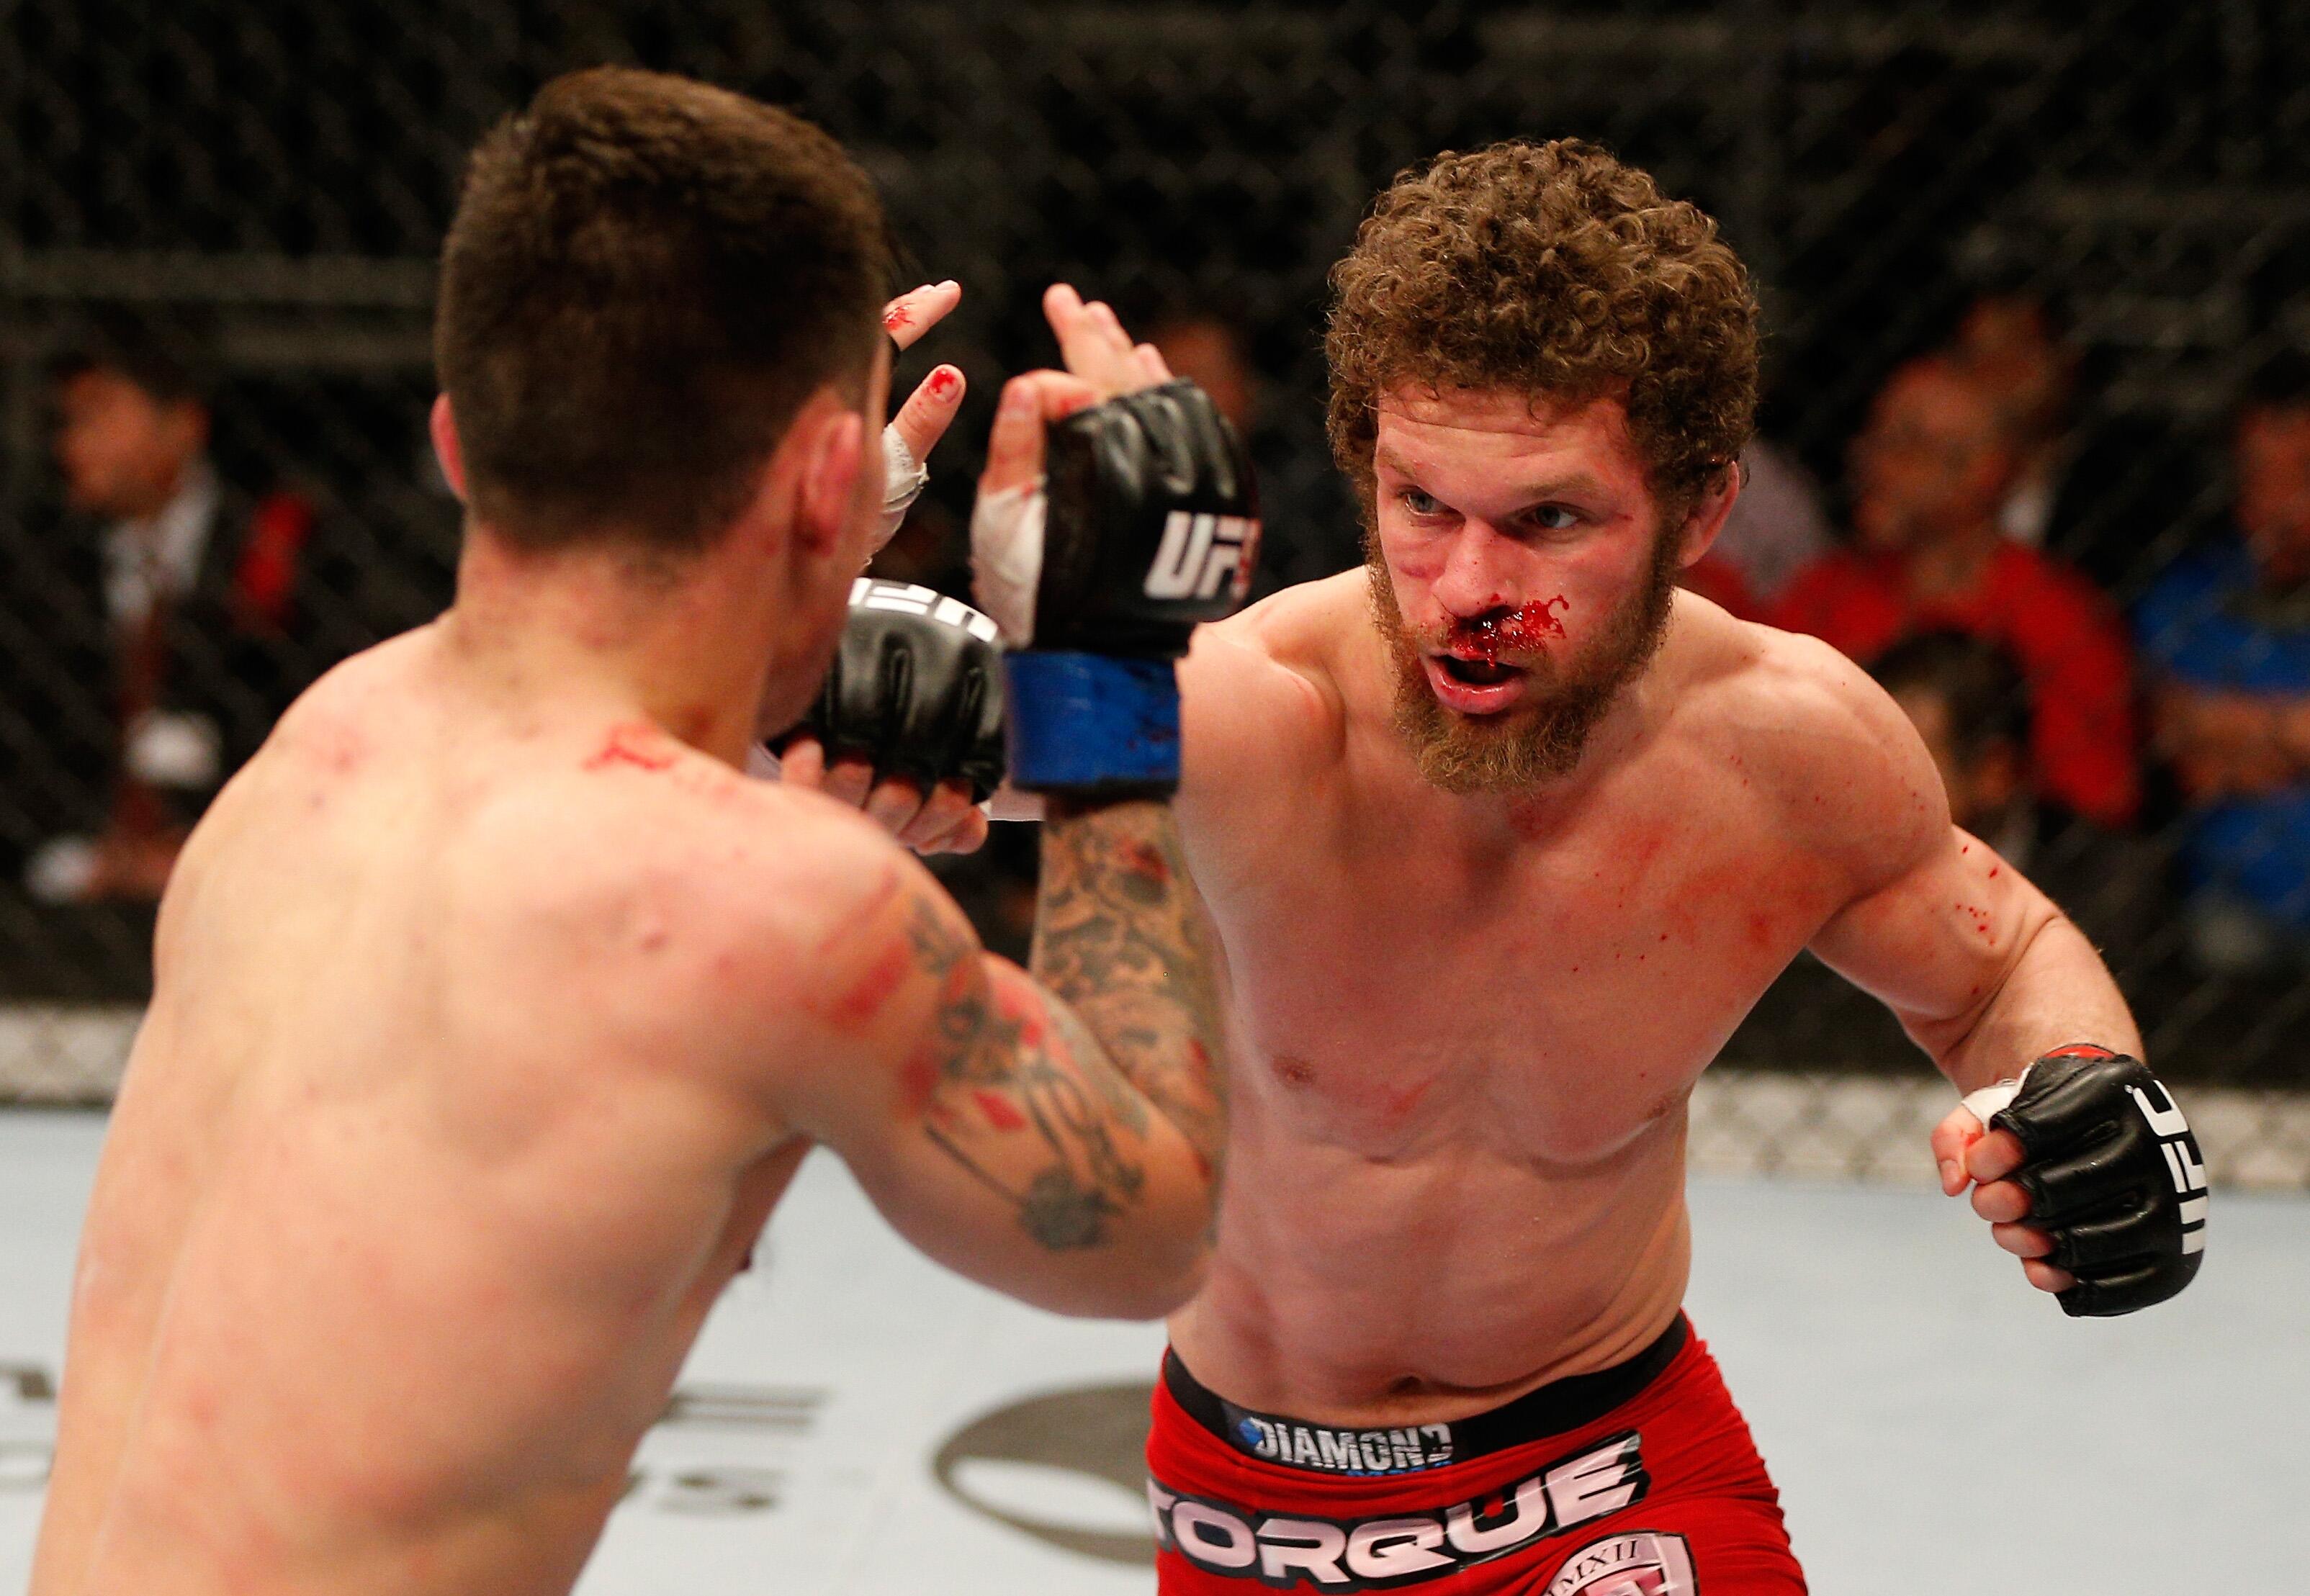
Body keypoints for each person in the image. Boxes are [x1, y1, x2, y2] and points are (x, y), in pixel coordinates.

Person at [803, 140, 2208, 1592]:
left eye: (1547, 520)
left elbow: (1996, 955)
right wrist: (803, 526)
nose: (1469, 592)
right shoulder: (1259, 708)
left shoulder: (1787, 751)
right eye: (1422, 508)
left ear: (1698, 512)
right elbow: (876, 708)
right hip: (1249, 1504)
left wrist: (2075, 1088)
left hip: (1608, 1474)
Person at [30, 68, 1243, 1596]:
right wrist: (1101, 673)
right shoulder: (764, 907)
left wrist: (778, 580)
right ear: (824, 479)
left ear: (461, 443)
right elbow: (1154, 1228)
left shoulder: (327, 742)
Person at [26, 322, 339, 903]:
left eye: (100, 415)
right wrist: (81, 858)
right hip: (67, 888)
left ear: (183, 425)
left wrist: (207, 850)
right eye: (68, 421)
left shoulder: (282, 543)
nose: (73, 444)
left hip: (255, 877)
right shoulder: (43, 563)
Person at [1771, 352, 2142, 828]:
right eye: (1875, 437)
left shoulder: (2060, 620)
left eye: (1907, 444)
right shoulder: (1823, 591)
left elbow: (2091, 808)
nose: (1871, 461)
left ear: (1983, 474)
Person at [2136, 348, 2310, 970]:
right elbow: (2186, 754)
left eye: (2298, 472)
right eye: (2260, 471)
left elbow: (2214, 748)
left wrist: (2241, 737)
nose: (2277, 497)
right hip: (2233, 901)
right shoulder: (2189, 593)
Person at [1872, 629, 2166, 963]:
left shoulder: (2110, 884)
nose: (1874, 784)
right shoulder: (1845, 875)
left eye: (1905, 759)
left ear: (1994, 773)